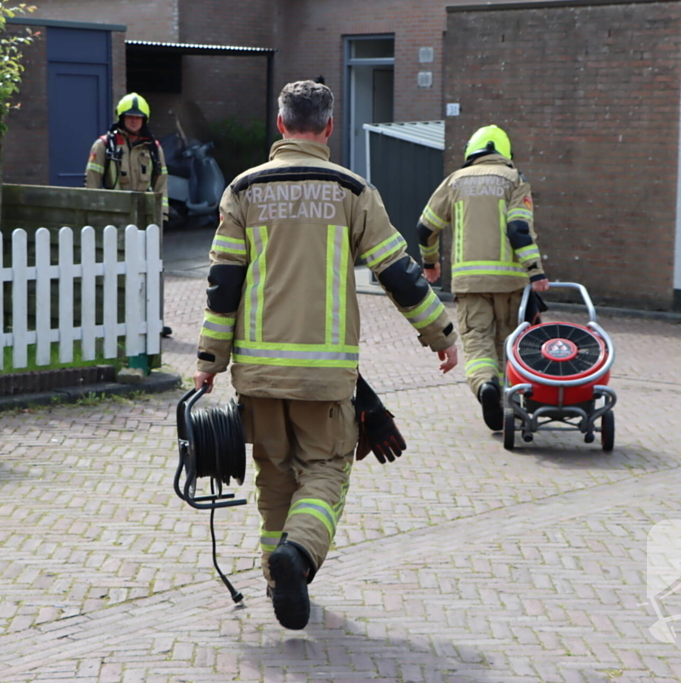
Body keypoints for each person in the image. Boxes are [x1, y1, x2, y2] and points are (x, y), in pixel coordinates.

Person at [193, 80, 459, 630]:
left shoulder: (242, 191)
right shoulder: (353, 191)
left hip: (259, 376)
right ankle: (297, 558)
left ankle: (276, 577)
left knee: (274, 480)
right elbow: (398, 273)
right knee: (326, 473)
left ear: (280, 124)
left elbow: (223, 283)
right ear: (329, 128)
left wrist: (208, 360)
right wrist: (442, 333)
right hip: (325, 380)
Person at [416, 125, 550, 431]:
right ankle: (510, 402)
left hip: (470, 285)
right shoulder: (515, 180)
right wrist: (536, 271)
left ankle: (486, 386)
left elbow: (424, 228)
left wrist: (431, 262)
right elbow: (518, 230)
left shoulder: (454, 182)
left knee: (477, 346)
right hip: (510, 285)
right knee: (509, 345)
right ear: (505, 153)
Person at [85, 92, 169, 224]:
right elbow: (92, 182)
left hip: (144, 217)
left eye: (138, 117)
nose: (134, 120)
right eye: (130, 116)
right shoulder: (104, 145)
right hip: (112, 216)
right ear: (122, 118)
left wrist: (162, 214)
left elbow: (161, 183)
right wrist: (92, 215)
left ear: (144, 119)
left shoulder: (153, 148)